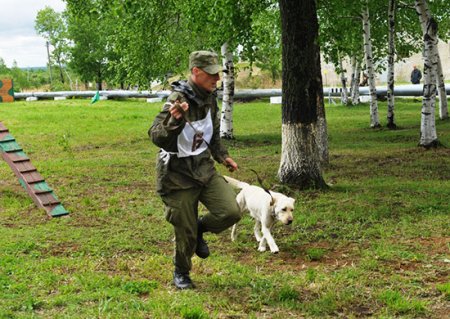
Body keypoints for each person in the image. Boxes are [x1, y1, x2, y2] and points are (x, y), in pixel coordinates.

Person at [149, 50, 242, 290]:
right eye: (211, 74)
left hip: (203, 167)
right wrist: (174, 120)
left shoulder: (209, 97)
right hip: (177, 175)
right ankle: (181, 272)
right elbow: (156, 136)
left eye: (218, 74)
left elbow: (211, 132)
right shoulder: (177, 98)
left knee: (230, 211)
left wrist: (223, 156)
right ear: (195, 72)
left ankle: (199, 227)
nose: (217, 79)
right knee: (185, 230)